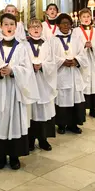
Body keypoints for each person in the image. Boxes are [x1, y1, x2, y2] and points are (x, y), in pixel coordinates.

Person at [0, 13, 38, 170]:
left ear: (16, 26)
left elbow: (27, 70)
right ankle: (0, 155)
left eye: (11, 24)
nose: (8, 27)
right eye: (5, 24)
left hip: (14, 92)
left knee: (14, 121)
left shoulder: (21, 47)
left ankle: (14, 155)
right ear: (0, 27)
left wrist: (13, 70)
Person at [50, 13, 88, 134]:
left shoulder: (76, 40)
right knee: (62, 98)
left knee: (75, 98)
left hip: (74, 73)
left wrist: (76, 60)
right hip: (61, 75)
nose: (66, 25)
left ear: (71, 25)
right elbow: (50, 57)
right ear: (58, 25)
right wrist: (62, 61)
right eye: (63, 23)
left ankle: (73, 124)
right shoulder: (53, 40)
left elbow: (83, 55)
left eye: (68, 23)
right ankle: (61, 124)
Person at [25, 18, 57, 151]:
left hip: (44, 82)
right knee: (30, 111)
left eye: (38, 26)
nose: (36, 28)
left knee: (43, 111)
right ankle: (30, 139)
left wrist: (42, 66)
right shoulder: (24, 45)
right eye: (32, 27)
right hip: (30, 82)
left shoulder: (47, 44)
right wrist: (30, 66)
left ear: (42, 28)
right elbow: (20, 62)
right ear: (28, 29)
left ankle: (43, 139)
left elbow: (52, 62)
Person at [72, 8, 95, 118]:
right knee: (83, 84)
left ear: (91, 18)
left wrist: (93, 46)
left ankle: (93, 109)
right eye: (84, 17)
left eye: (88, 17)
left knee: (93, 84)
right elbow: (73, 45)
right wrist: (83, 45)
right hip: (83, 62)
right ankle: (81, 110)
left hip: (93, 62)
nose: (86, 19)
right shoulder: (76, 31)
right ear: (80, 18)